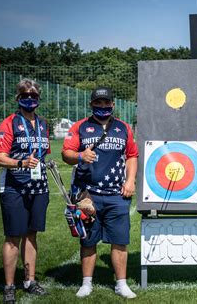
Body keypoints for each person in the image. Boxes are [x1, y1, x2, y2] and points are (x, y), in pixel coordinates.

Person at [62, 87, 138, 299]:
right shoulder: (80, 127)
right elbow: (66, 154)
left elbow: (132, 155)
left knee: (120, 240)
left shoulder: (123, 128)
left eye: (106, 103)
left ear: (113, 104)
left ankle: (121, 284)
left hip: (117, 194)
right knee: (88, 240)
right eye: (98, 103)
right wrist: (79, 155)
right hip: (88, 194)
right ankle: (86, 283)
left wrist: (131, 180)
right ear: (91, 105)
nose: (102, 106)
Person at [0, 79, 51, 303]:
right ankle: (9, 286)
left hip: (38, 186)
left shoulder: (43, 123)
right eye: (25, 95)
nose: (30, 99)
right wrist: (20, 164)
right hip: (14, 186)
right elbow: (0, 158)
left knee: (31, 234)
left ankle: (30, 280)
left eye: (33, 95)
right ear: (18, 98)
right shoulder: (9, 123)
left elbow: (41, 152)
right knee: (13, 236)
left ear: (38, 98)